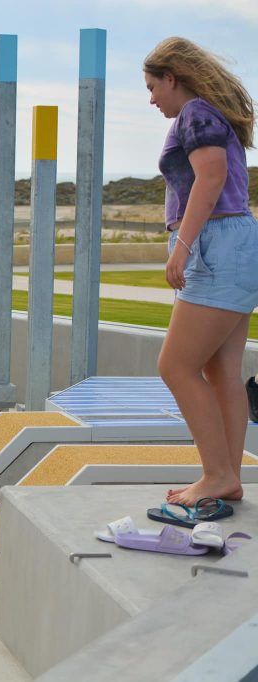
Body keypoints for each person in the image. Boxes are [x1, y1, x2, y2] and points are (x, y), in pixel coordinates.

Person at [144, 37, 257, 505]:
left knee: (175, 366)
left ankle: (214, 474)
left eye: (153, 87)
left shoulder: (195, 113)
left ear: (173, 78)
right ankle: (227, 477)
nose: (151, 98)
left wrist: (182, 247)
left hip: (214, 245)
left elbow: (209, 179)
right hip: (235, 244)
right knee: (222, 371)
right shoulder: (211, 114)